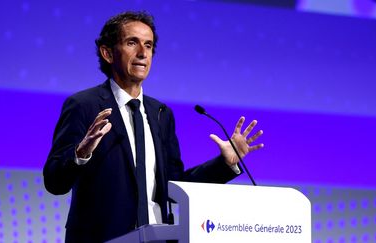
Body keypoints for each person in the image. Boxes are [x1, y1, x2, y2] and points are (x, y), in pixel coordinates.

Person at [43, 11, 264, 243]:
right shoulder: (84, 106)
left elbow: (176, 186)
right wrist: (81, 154)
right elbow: (54, 182)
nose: (142, 53)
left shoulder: (160, 114)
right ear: (107, 53)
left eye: (148, 46)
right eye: (132, 43)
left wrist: (224, 164)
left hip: (157, 238)